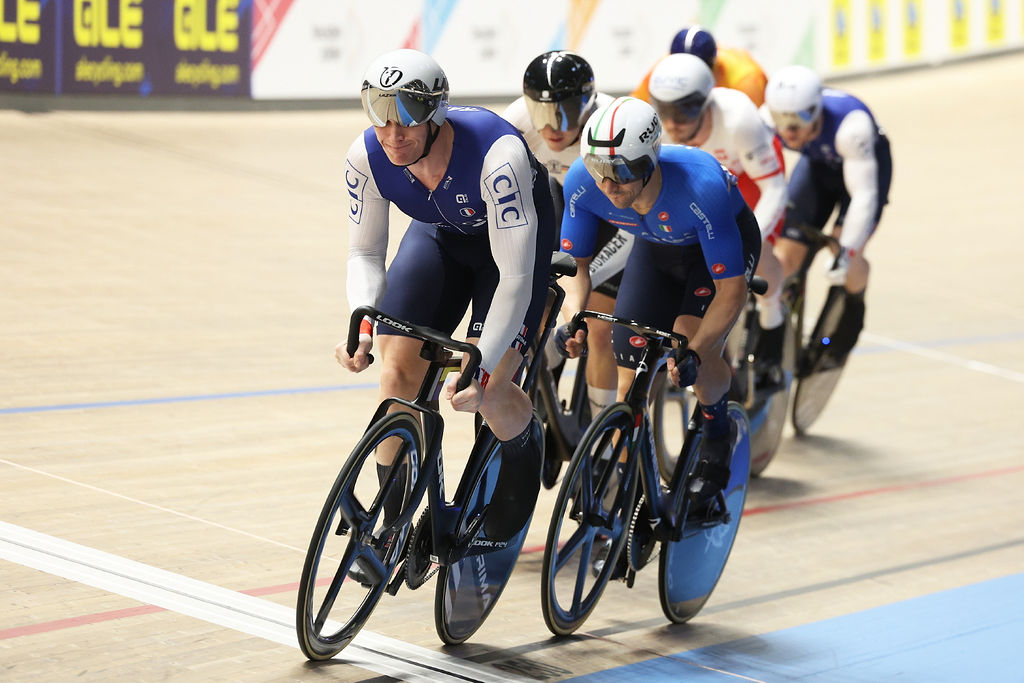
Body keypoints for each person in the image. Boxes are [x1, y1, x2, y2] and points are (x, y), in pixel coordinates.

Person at [337, 48, 556, 545]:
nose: (393, 134)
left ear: (437, 112)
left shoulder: (499, 156)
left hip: (511, 256)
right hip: (439, 237)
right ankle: (390, 524)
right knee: (396, 372)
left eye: (409, 117)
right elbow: (365, 254)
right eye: (380, 113)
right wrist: (361, 325)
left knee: (490, 386)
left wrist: (479, 364)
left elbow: (516, 280)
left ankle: (521, 456)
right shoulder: (365, 156)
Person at [558, 96, 761, 506]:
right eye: (600, 172)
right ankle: (626, 473)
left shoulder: (700, 185)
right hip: (655, 251)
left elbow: (732, 292)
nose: (608, 186)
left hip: (714, 257)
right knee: (629, 375)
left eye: (621, 173)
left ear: (651, 159)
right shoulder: (583, 180)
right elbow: (575, 266)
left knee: (688, 342)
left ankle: (717, 428)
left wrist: (699, 352)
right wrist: (574, 318)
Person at [647, 52, 788, 381]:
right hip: (700, 191)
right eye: (664, 111)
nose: (672, 123)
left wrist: (747, 241)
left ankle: (772, 319)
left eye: (684, 110)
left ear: (707, 102)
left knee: (758, 250)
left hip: (747, 181)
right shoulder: (654, 128)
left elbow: (775, 188)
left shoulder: (738, 118)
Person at [502, 50, 625, 416]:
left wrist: (580, 293)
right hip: (557, 202)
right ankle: (543, 397)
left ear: (587, 106)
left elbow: (634, 220)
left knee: (600, 328)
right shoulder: (517, 122)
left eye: (564, 113)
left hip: (615, 218)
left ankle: (603, 440)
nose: (552, 127)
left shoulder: (612, 127)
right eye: (542, 113)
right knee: (542, 312)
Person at [763, 65, 892, 362]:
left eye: (800, 119)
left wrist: (846, 251)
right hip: (818, 167)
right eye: (782, 120)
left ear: (817, 110)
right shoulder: (765, 120)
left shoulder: (852, 128)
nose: (790, 130)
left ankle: (854, 302)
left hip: (863, 171)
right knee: (784, 258)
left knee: (842, 253)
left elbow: (864, 196)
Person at [632, 25, 768, 107]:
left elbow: (755, 130)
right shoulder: (663, 69)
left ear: (714, 64)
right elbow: (635, 108)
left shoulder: (747, 79)